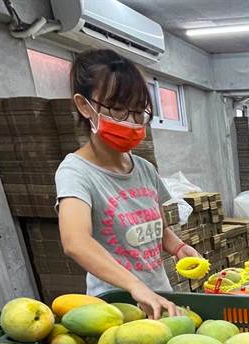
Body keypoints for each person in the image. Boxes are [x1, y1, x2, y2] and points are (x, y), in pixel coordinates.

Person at [55, 48, 199, 318]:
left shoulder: (144, 169)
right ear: (85, 105)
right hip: (115, 309)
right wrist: (135, 286)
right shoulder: (76, 172)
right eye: (119, 109)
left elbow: (159, 231)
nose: (131, 122)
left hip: (160, 298)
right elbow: (75, 241)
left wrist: (179, 248)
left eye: (137, 111)